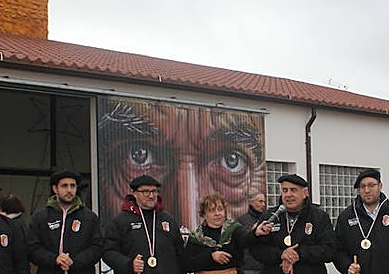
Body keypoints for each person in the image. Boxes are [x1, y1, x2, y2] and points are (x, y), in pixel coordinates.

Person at [99, 98, 268, 232]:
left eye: (232, 161)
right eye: (139, 155)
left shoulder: (242, 230)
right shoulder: (121, 225)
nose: (188, 222)